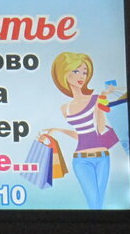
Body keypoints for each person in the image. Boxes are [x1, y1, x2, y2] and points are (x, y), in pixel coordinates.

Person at [44, 52, 122, 210]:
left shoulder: (96, 98)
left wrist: (100, 106)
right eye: (76, 71)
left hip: (102, 157)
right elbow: (81, 135)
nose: (81, 76)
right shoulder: (65, 108)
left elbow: (99, 129)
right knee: (93, 202)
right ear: (64, 74)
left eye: (84, 72)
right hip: (80, 160)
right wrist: (58, 130)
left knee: (98, 203)